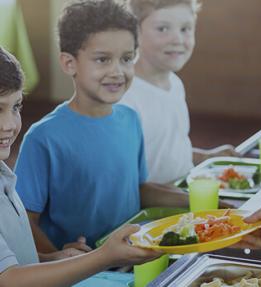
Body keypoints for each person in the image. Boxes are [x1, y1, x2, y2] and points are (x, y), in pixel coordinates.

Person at [14, 0, 189, 259]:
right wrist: (56, 259)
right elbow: (22, 220)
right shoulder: (44, 138)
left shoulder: (130, 119)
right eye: (102, 59)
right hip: (83, 271)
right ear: (69, 63)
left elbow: (137, 189)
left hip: (131, 257)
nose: (117, 71)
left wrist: (199, 200)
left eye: (127, 58)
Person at [0, 46, 160, 287]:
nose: (9, 125)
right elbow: (9, 280)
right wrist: (104, 256)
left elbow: (11, 263)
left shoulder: (4, 174)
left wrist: (51, 259)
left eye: (16, 107)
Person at [119, 0, 237, 184]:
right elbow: (123, 176)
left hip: (182, 189)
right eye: (163, 29)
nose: (178, 40)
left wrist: (205, 157)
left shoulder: (175, 83)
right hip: (152, 208)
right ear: (133, 32)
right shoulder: (125, 96)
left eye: (185, 29)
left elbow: (164, 150)